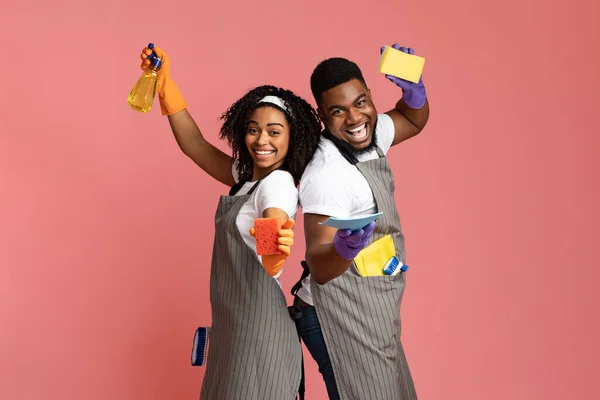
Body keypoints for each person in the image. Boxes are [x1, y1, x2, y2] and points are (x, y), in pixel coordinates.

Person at [138, 45, 322, 399]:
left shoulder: (278, 184)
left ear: (291, 137)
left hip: (258, 334)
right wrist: (166, 86)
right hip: (233, 330)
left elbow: (275, 219)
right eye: (253, 130)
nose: (261, 140)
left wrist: (273, 250)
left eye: (273, 131)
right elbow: (196, 146)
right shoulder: (246, 178)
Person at [290, 44, 430, 399]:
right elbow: (320, 265)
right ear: (322, 115)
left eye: (360, 103)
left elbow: (413, 120)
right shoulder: (326, 176)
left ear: (369, 96)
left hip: (371, 306)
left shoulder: (369, 135)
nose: (354, 119)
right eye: (338, 111)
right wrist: (342, 248)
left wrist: (414, 92)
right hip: (333, 313)